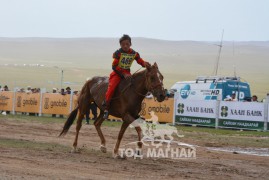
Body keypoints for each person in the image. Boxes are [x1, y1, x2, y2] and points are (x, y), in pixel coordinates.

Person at [103, 34, 151, 119]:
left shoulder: (134, 53)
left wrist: (144, 63)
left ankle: (134, 109)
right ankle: (106, 107)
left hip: (128, 75)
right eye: (123, 44)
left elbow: (140, 60)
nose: (125, 46)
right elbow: (114, 66)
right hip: (117, 74)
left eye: (127, 44)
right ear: (120, 45)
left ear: (130, 44)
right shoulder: (118, 53)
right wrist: (123, 74)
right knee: (112, 87)